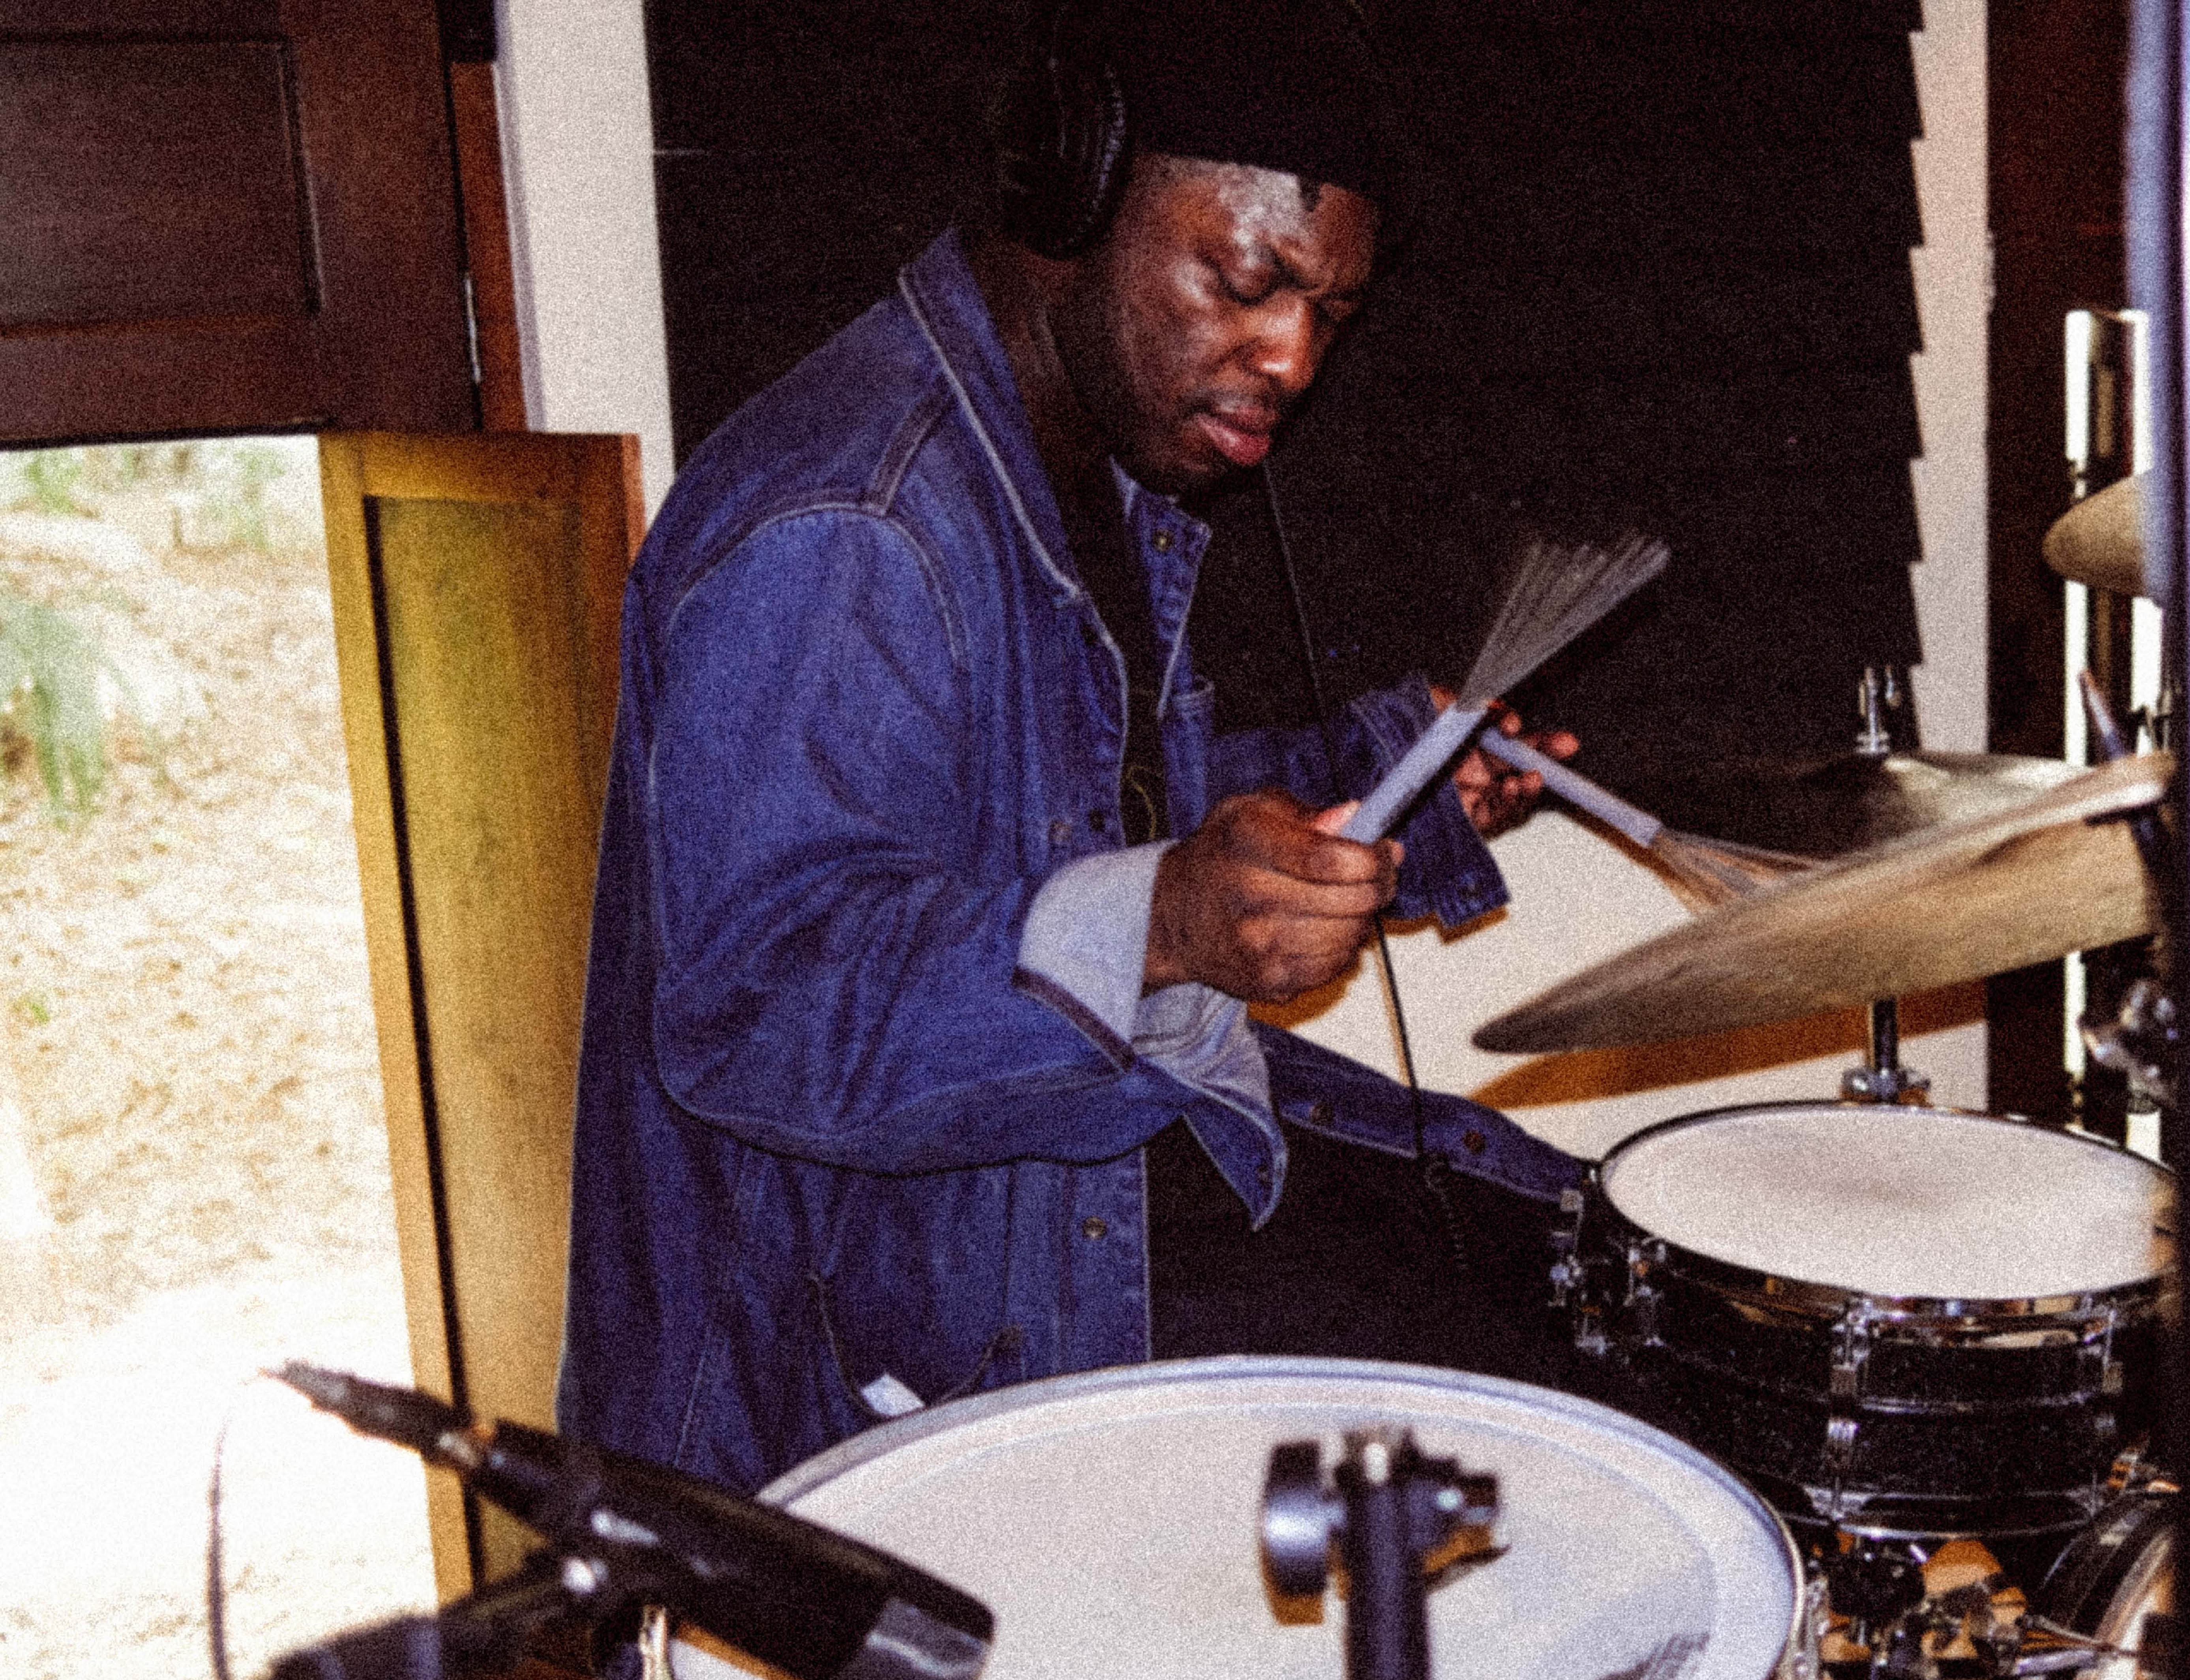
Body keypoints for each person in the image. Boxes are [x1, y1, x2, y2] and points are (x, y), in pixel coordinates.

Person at [559, 0, 1585, 1495]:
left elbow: (1057, 804)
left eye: (1334, 315)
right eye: (1245, 278)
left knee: (1559, 1256)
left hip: (1048, 1203)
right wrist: (1169, 921)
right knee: (1535, 1416)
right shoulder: (855, 525)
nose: (1292, 357)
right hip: (845, 1390)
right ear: (1072, 194)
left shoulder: (1078, 452)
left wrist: (1381, 779)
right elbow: (755, 1012)